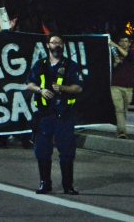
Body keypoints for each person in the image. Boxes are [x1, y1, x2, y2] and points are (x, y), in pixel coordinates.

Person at [26, 35, 84, 195]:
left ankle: (68, 185)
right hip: (44, 116)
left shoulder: (71, 65)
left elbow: (78, 88)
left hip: (64, 115)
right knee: (42, 150)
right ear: (47, 45)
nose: (56, 45)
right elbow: (29, 84)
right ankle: (45, 183)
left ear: (63, 46)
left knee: (66, 151)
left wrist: (63, 89)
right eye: (53, 43)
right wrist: (40, 90)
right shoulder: (40, 65)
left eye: (59, 43)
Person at [109, 36, 134, 139]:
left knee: (124, 109)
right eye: (121, 41)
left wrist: (114, 44)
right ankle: (122, 132)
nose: (124, 43)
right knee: (119, 109)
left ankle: (120, 128)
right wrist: (115, 63)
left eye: (126, 41)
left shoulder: (132, 53)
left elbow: (127, 55)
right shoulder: (113, 53)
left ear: (129, 43)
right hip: (115, 85)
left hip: (128, 87)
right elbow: (109, 68)